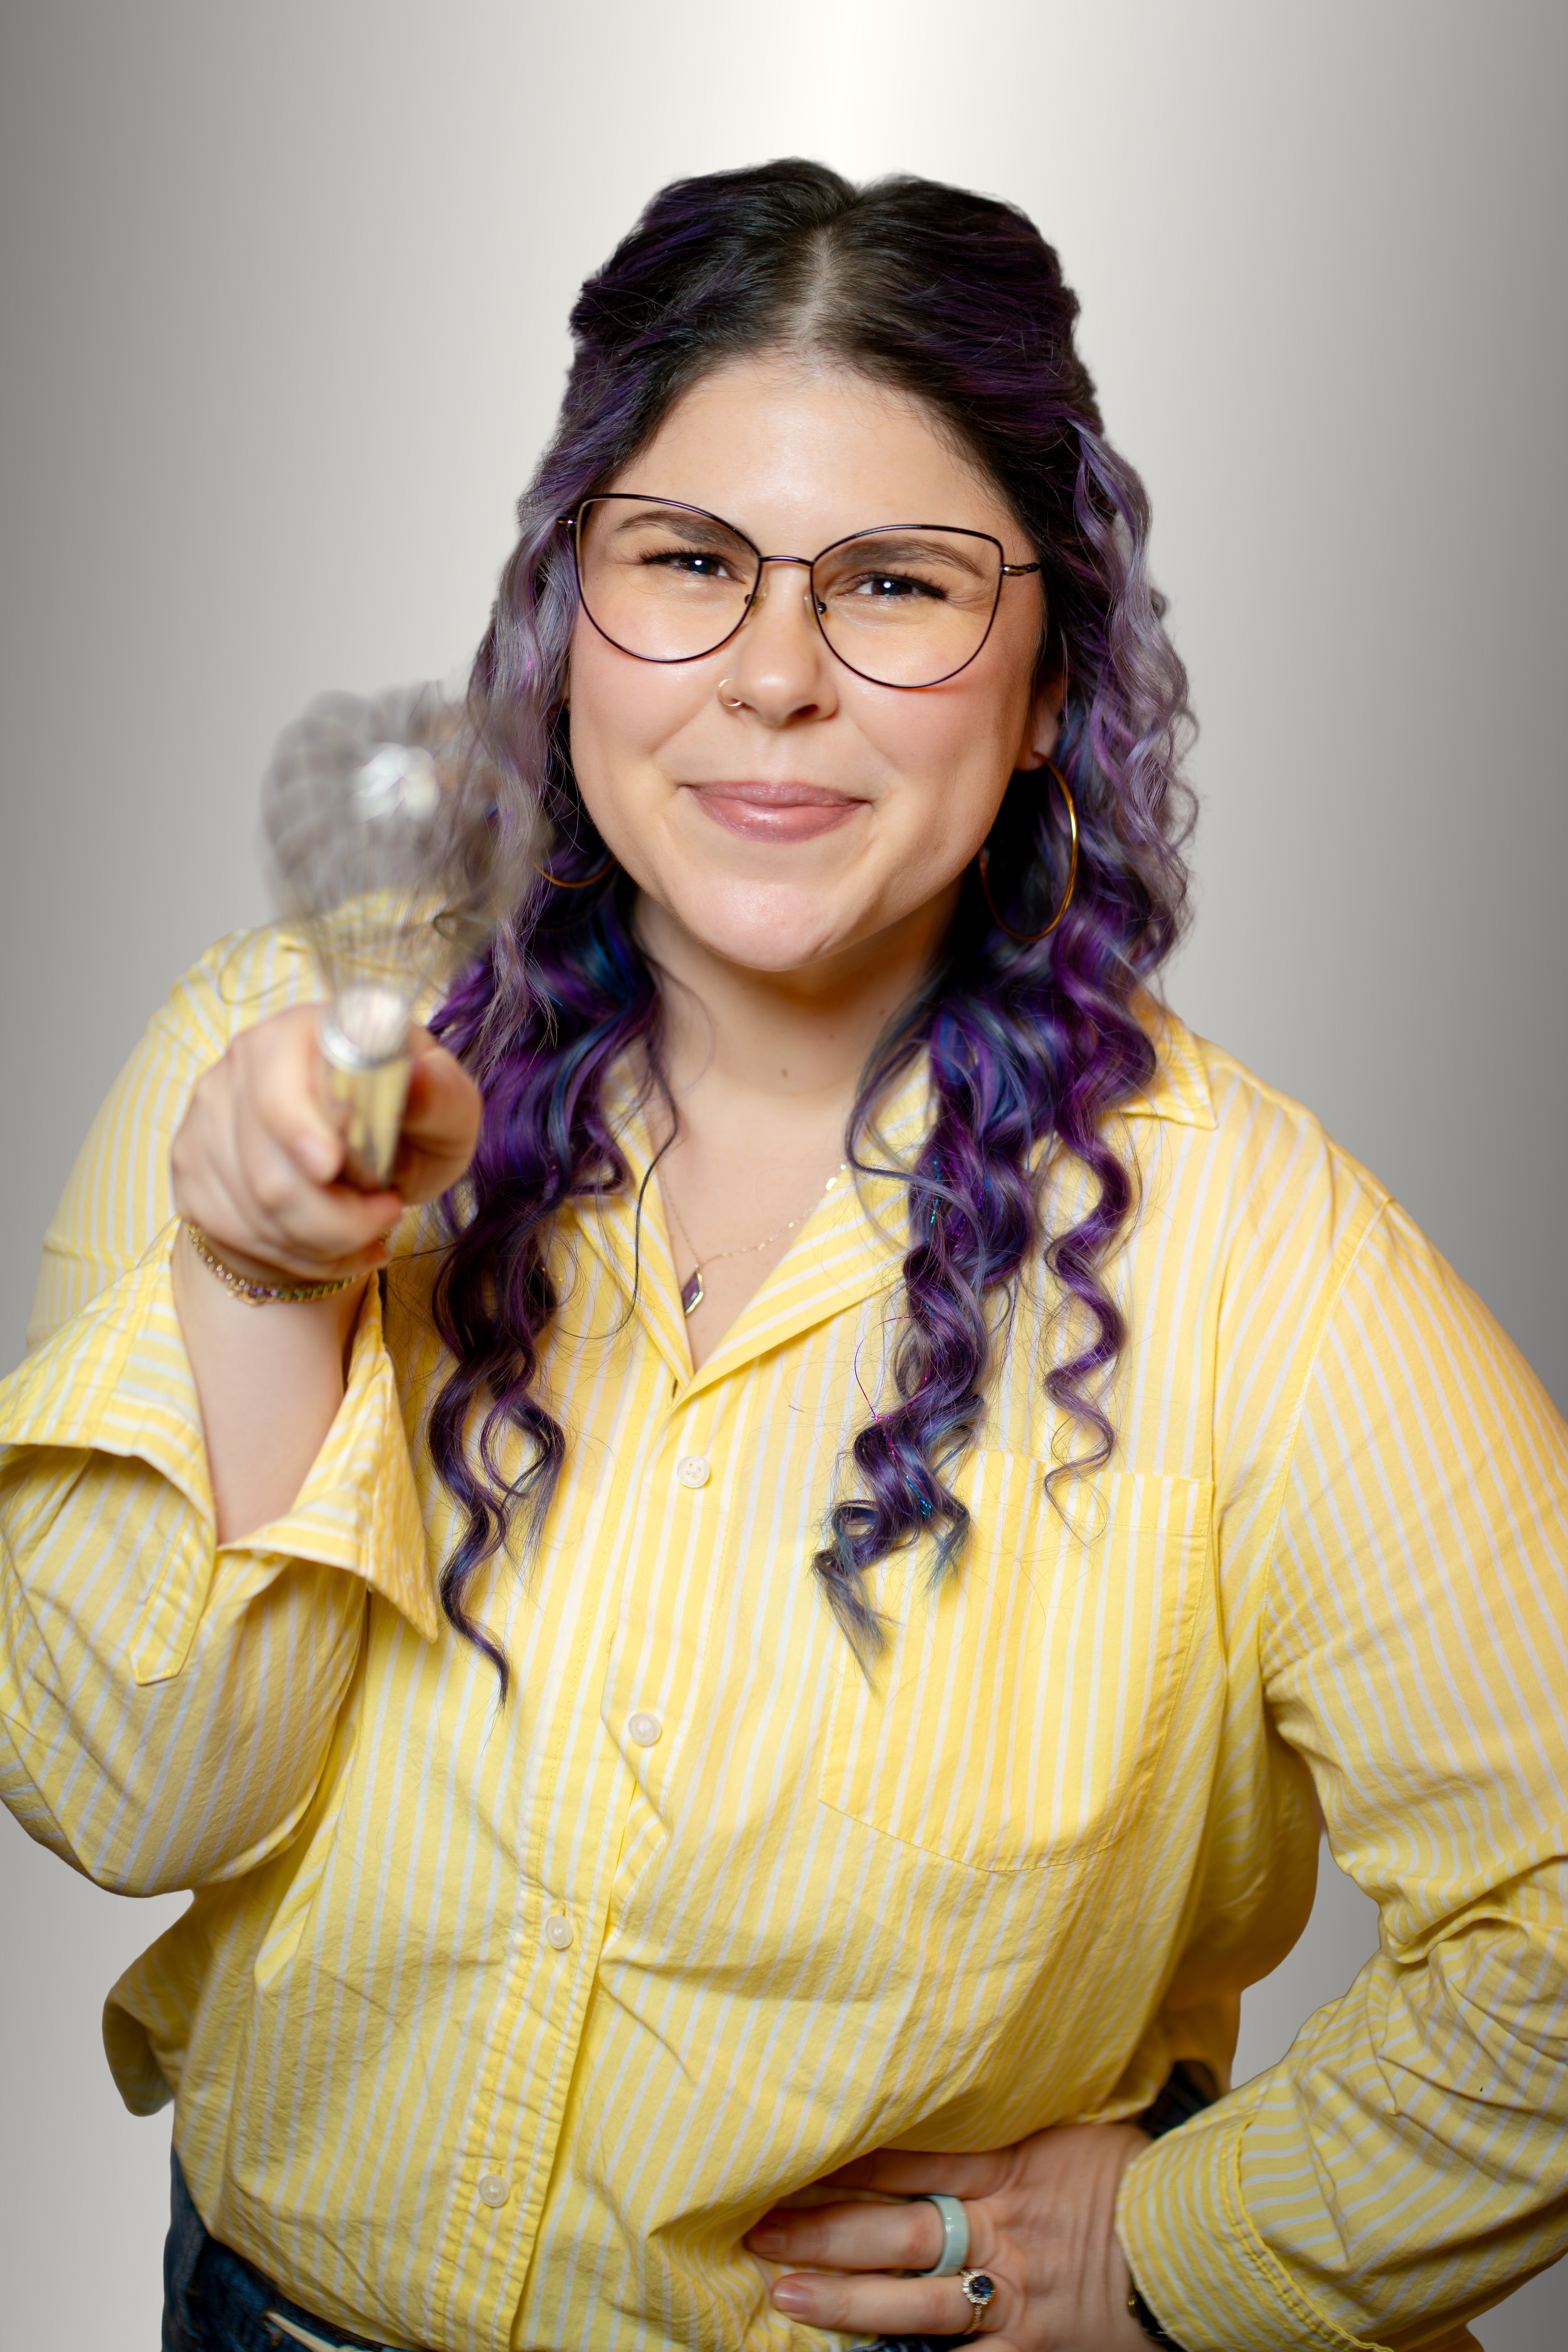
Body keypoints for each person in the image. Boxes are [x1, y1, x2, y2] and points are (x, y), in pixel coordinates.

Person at [2, 159, 1563, 2352]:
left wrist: (1175, 2254)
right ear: (568, 618)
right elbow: (129, 1800)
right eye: (690, 562)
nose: (773, 678)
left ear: (1044, 690)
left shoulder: (1257, 1257)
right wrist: (265, 1290)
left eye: (899, 585)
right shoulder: (269, 1067)